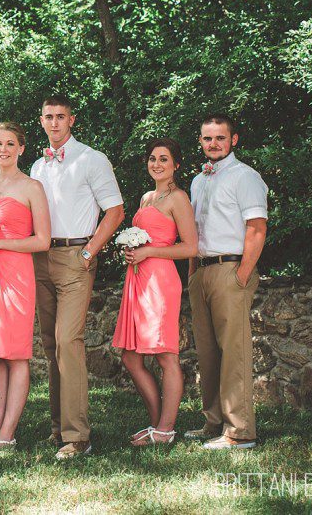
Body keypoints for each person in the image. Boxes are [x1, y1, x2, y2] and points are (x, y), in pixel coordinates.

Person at [30, 95, 125, 460]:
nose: (54, 123)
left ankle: (79, 437)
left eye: (60, 117)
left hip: (76, 257)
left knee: (69, 341)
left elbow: (115, 211)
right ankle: (58, 430)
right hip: (41, 258)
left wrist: (89, 253)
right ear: (41, 121)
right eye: (48, 117)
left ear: (72, 120)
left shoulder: (91, 159)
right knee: (51, 344)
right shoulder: (37, 166)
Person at [185, 114, 268, 450]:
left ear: (233, 140)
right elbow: (194, 233)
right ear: (201, 142)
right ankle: (214, 421)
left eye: (220, 138)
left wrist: (242, 275)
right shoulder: (198, 180)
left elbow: (257, 228)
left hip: (231, 269)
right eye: (208, 138)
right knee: (207, 352)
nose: (213, 144)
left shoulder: (245, 176)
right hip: (202, 271)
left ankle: (240, 431)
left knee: (233, 351)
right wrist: (192, 273)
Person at [0, 122, 51, 454]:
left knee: (15, 354)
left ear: (21, 148)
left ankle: (8, 435)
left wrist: (2, 245)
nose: (3, 149)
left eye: (10, 143)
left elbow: (42, 240)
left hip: (16, 274)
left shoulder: (32, 187)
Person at [112, 138, 198, 446]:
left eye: (164, 159)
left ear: (176, 165)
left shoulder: (179, 199)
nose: (156, 163)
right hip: (137, 280)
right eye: (152, 158)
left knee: (164, 354)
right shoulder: (147, 197)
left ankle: (165, 429)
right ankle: (157, 423)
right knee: (131, 357)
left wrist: (149, 253)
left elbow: (190, 247)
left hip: (160, 281)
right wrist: (133, 252)